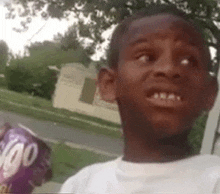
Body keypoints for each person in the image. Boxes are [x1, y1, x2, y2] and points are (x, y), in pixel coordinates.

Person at [59, 4, 220, 194]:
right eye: (146, 57)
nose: (169, 69)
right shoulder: (81, 185)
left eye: (188, 61)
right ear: (109, 84)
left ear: (209, 94)